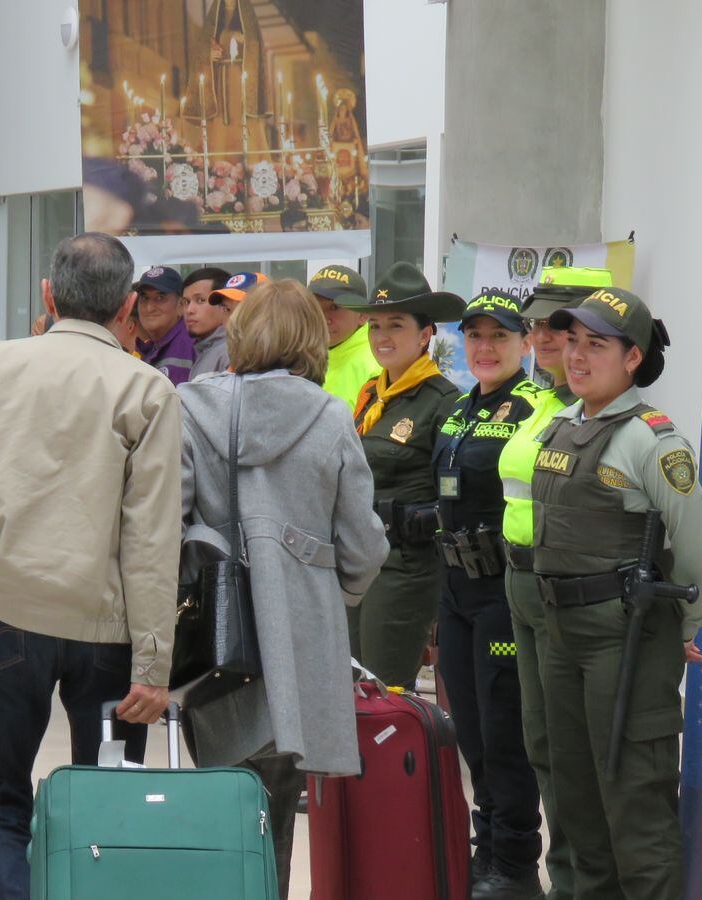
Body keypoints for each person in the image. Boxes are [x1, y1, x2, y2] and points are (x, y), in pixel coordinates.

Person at [0, 232, 178, 900]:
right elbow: (152, 540)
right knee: (106, 805)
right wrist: (154, 666)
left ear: (47, 294)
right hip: (110, 633)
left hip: (7, 613)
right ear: (128, 306)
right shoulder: (148, 390)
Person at [181, 278, 389, 900]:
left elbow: (166, 523)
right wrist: (327, 591)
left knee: (221, 805)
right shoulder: (328, 415)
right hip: (297, 643)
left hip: (211, 646)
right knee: (275, 805)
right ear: (312, 339)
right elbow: (363, 546)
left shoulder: (189, 405)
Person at [532, 288, 702, 899]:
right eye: (573, 342)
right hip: (562, 635)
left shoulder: (652, 440)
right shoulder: (561, 426)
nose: (577, 356)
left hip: (626, 639)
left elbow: (697, 552)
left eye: (596, 344)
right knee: (577, 806)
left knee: (635, 808)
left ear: (633, 358)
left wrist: (684, 628)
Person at [497, 266, 609, 900]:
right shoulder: (542, 402)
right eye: (538, 324)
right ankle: (562, 876)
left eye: (560, 326)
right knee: (543, 746)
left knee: (575, 753)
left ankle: (581, 883)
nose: (543, 337)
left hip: (569, 594)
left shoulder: (596, 410)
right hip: (521, 585)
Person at [431, 291, 545, 900]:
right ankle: (487, 852)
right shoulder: (458, 409)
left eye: (498, 336)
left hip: (503, 591)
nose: (484, 347)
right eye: (474, 336)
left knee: (505, 733)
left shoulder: (535, 409)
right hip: (454, 591)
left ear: (525, 343)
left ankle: (517, 864)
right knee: (471, 733)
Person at [345, 262, 465, 688]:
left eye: (396, 325)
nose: (382, 337)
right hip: (359, 560)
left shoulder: (443, 402)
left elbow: (453, 498)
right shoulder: (371, 396)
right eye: (375, 326)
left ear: (425, 333)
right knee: (351, 693)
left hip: (404, 567)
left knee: (383, 692)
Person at [309, 264, 381, 411]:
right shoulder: (299, 357)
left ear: (363, 315)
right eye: (315, 307)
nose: (323, 318)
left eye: (334, 308)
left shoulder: (376, 366)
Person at [133, 265, 196, 385]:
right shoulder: (153, 347)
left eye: (160, 298)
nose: (149, 308)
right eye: (144, 298)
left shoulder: (187, 346)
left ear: (181, 306)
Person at [182, 266, 235, 377]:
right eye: (186, 302)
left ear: (224, 304)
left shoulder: (230, 353)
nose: (189, 310)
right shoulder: (207, 350)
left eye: (200, 300)